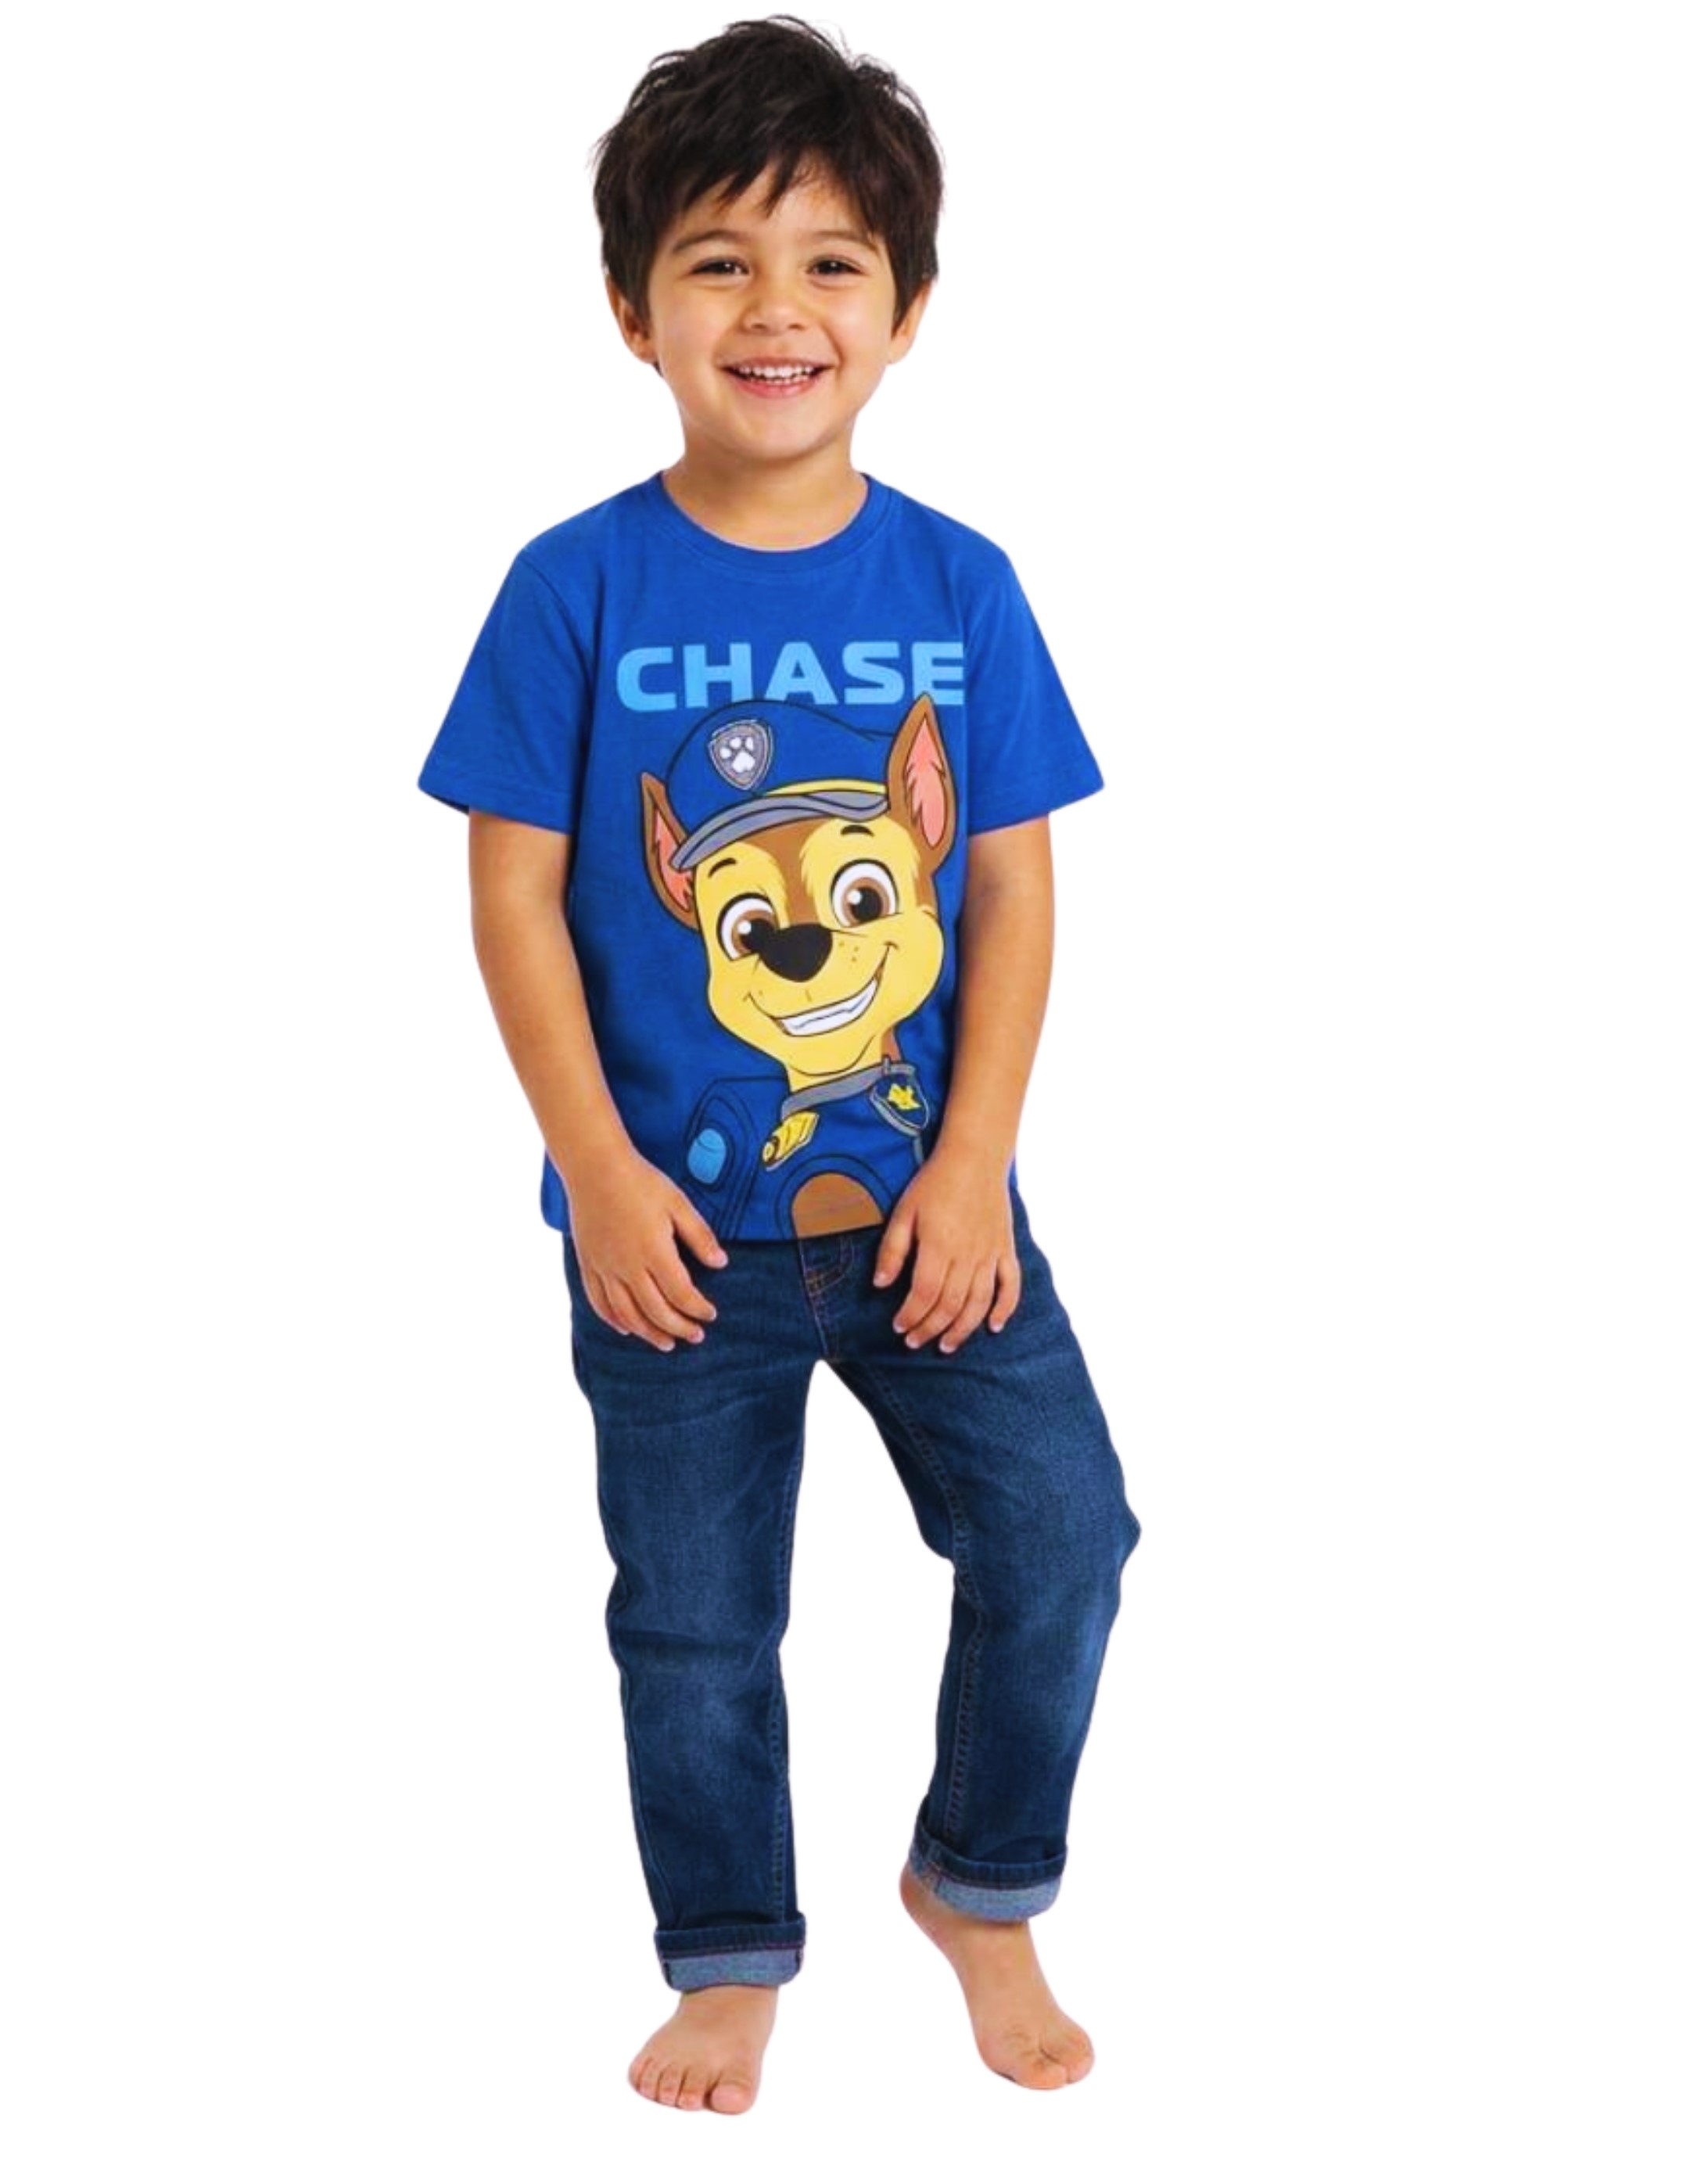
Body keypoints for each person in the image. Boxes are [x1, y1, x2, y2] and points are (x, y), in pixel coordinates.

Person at [416, 16, 1141, 2114]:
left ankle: (978, 1883)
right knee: (694, 1626)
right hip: (667, 1240)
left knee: (1064, 1539)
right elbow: (510, 899)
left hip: (928, 1217)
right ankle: (728, 1952)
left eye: (831, 263)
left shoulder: (959, 584)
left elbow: (1008, 893)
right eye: (718, 261)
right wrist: (597, 1170)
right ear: (629, 304)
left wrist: (976, 1160)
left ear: (905, 314)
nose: (774, 308)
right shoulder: (569, 587)